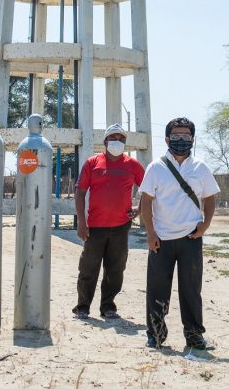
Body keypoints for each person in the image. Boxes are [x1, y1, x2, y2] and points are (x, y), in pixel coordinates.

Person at [139, 117, 220, 351]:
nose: (181, 141)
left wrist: (204, 226)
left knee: (191, 290)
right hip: (161, 239)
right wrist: (151, 233)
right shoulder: (156, 167)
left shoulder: (200, 168)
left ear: (193, 139)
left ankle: (194, 336)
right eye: (176, 136)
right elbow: (146, 201)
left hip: (190, 239)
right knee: (157, 289)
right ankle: (155, 335)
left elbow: (210, 198)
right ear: (167, 139)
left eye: (186, 136)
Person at [72, 124, 145, 320]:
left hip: (121, 227)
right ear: (105, 142)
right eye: (113, 138)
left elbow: (148, 188)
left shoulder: (133, 165)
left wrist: (140, 208)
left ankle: (108, 307)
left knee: (116, 269)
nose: (117, 142)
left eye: (121, 139)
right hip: (94, 227)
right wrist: (81, 222)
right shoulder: (92, 162)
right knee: (88, 268)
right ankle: (82, 307)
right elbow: (80, 192)